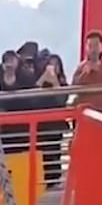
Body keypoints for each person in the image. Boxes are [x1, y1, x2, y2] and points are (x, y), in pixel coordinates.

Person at [36, 54, 69, 187]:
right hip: (42, 125)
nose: (53, 67)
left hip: (55, 125)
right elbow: (33, 95)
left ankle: (55, 181)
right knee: (42, 154)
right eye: (51, 64)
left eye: (56, 65)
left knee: (55, 153)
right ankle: (44, 182)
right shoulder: (42, 82)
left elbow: (62, 99)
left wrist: (55, 81)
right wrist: (44, 77)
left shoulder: (62, 82)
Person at [72, 30, 102, 113]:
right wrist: (85, 73)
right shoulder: (81, 66)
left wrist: (100, 69)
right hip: (84, 110)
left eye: (96, 45)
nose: (93, 49)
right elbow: (74, 85)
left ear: (101, 46)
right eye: (90, 46)